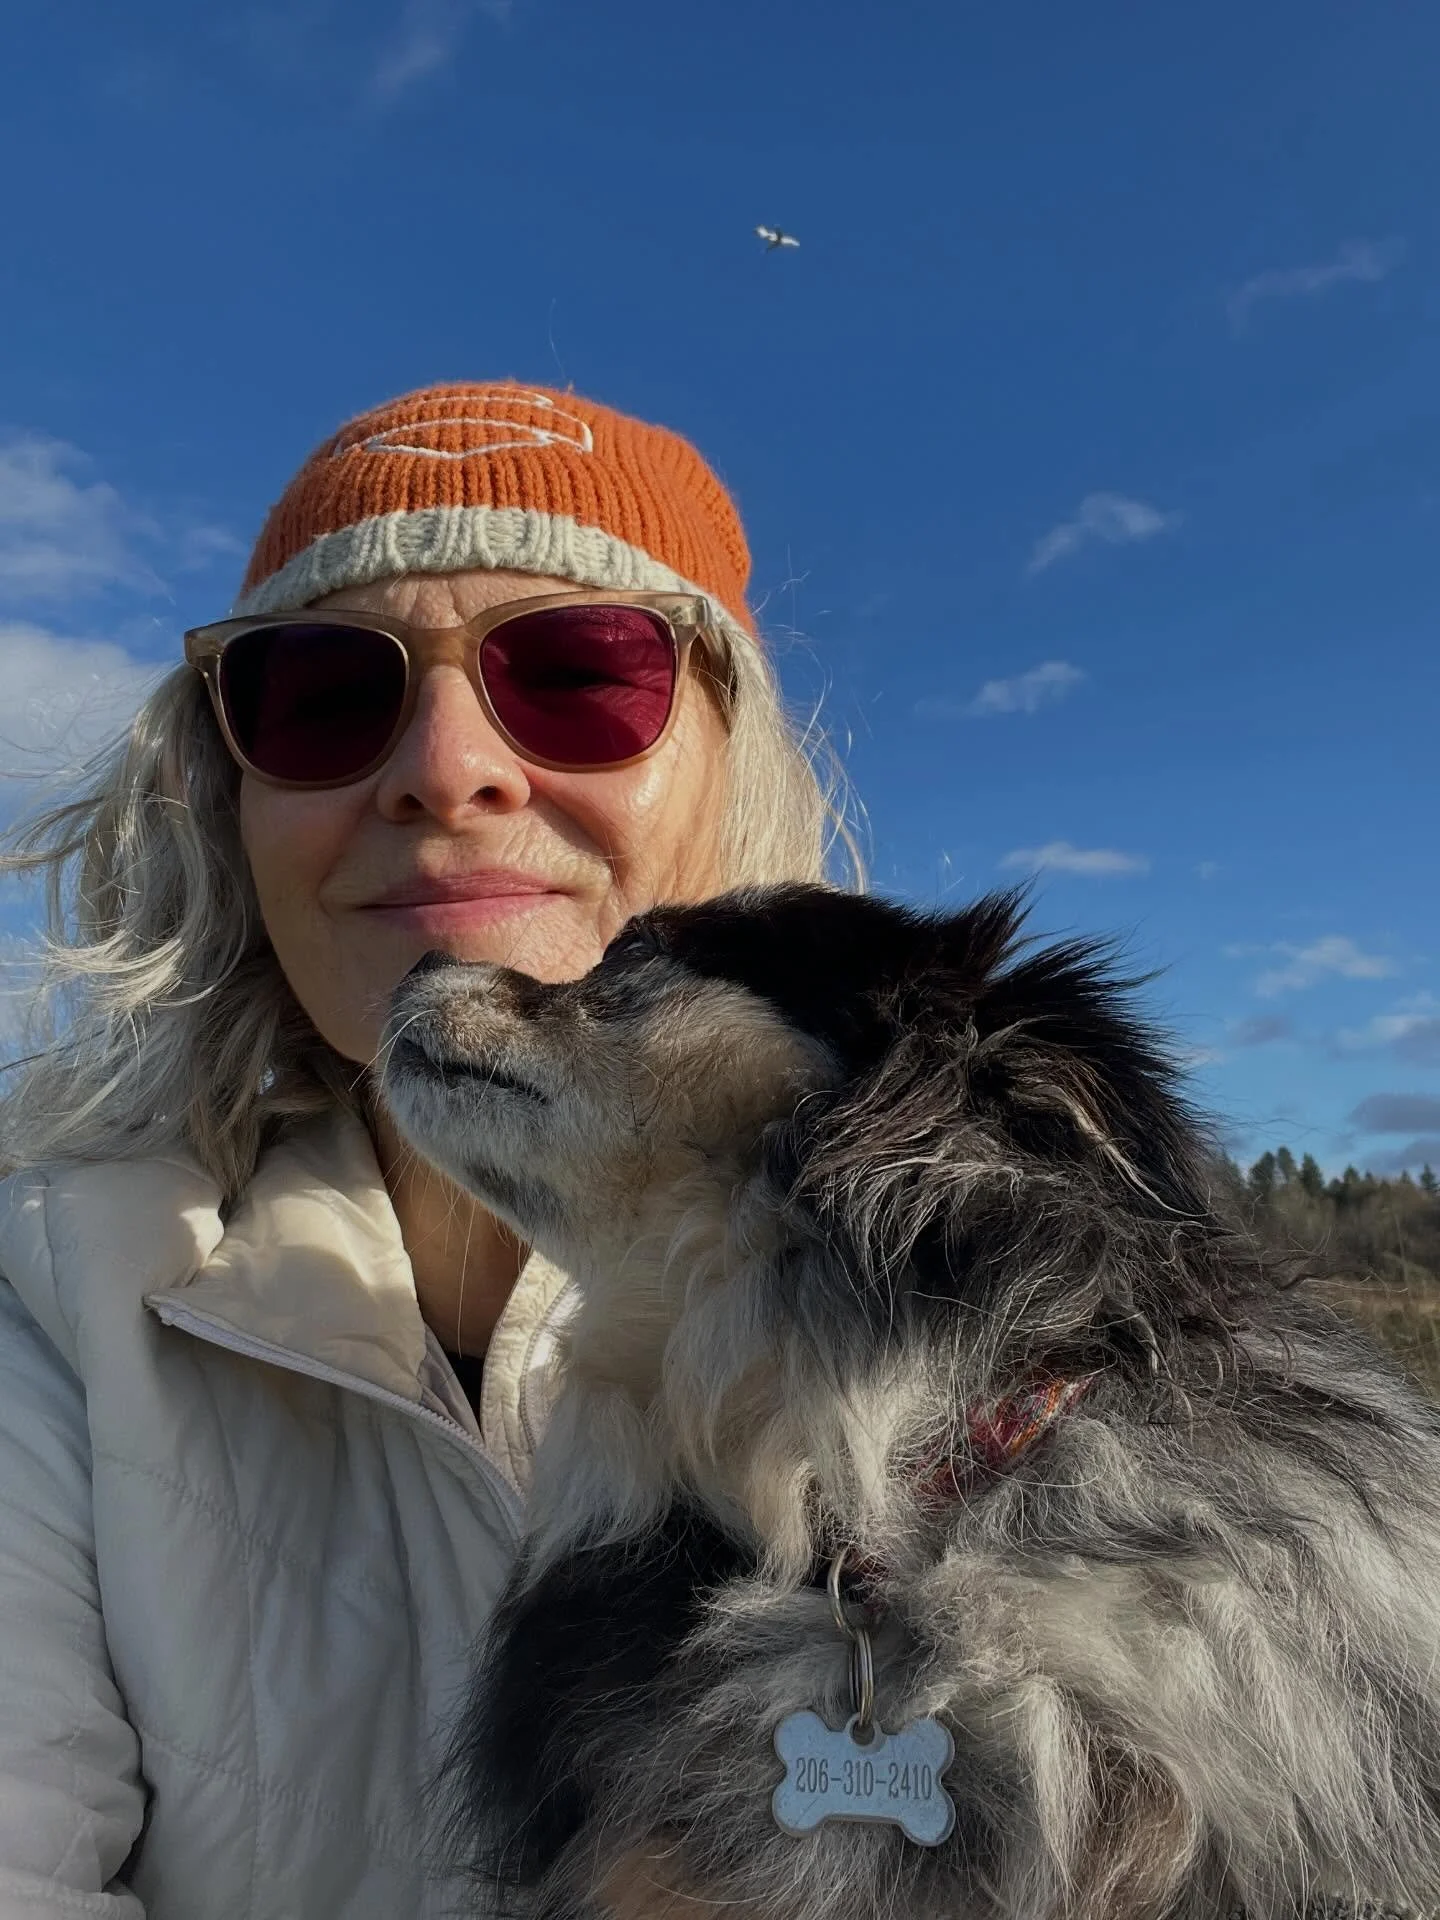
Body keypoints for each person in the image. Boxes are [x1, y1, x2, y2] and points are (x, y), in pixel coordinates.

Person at [0, 381, 859, 1918]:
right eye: (323, 695)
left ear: (736, 768)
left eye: (582, 676)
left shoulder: (1019, 1304)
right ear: (232, 797)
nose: (446, 767)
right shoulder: (54, 1299)